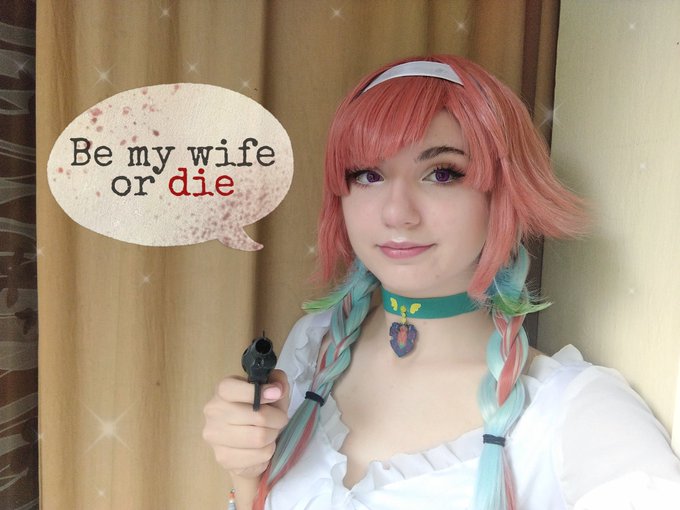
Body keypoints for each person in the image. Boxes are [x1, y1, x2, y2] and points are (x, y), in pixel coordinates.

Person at [203, 55, 680, 510]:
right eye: (368, 175)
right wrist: (245, 473)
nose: (397, 213)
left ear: (506, 192)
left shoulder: (576, 415)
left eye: (442, 174)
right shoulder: (313, 347)